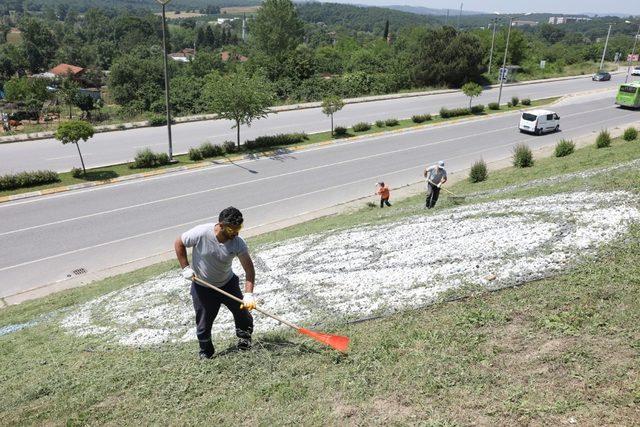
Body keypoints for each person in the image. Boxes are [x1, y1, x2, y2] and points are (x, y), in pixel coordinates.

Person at [174, 206, 257, 359]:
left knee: (243, 314)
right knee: (204, 322)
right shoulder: (201, 232)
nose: (236, 233)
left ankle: (244, 340)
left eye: (239, 229)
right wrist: (185, 267)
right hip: (203, 287)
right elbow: (179, 243)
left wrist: (248, 294)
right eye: (232, 230)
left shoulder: (238, 243)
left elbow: (249, 271)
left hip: (228, 283)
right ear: (221, 225)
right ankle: (206, 351)